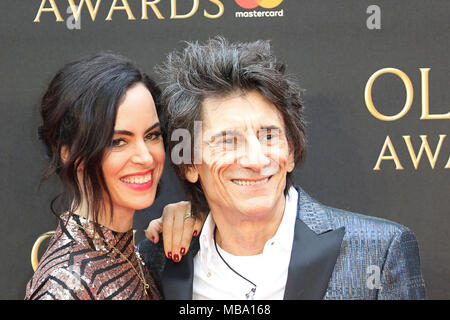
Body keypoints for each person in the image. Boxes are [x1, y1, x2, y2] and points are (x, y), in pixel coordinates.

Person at [139, 37, 426, 300]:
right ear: (190, 163)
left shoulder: (379, 251)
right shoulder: (159, 259)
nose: (255, 159)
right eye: (228, 140)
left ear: (290, 151)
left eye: (268, 135)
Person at [25, 52, 168, 300]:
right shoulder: (64, 286)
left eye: (152, 135)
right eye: (118, 141)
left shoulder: (126, 254)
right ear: (69, 153)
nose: (146, 157)